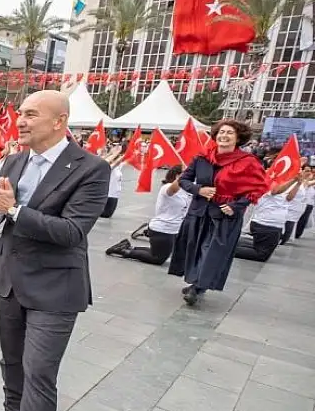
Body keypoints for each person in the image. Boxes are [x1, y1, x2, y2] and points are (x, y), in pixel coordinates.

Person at [0, 90, 110, 411]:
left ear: (59, 121)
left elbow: (71, 232)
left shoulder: (91, 169)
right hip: (9, 280)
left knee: (40, 374)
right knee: (11, 360)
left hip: (55, 289)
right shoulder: (14, 160)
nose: (21, 119)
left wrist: (14, 211)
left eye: (31, 114)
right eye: (20, 113)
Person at [169, 119, 269, 306]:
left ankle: (197, 287)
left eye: (230, 133)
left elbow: (258, 188)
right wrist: (199, 189)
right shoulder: (202, 158)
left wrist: (236, 206)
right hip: (199, 212)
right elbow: (184, 180)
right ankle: (197, 282)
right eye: (221, 132)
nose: (224, 135)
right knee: (195, 248)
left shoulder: (248, 162)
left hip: (224, 216)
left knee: (212, 251)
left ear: (238, 138)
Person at [105, 166, 191, 265]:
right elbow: (173, 190)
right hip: (162, 229)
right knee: (157, 259)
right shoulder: (167, 187)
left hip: (173, 229)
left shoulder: (186, 191)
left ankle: (127, 247)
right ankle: (123, 251)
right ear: (177, 176)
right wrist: (187, 173)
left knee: (159, 253)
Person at [232, 177, 295, 262]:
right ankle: (227, 250)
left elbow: (289, 198)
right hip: (266, 223)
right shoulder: (272, 180)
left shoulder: (283, 183)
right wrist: (294, 180)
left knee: (259, 248)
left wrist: (298, 182)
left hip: (273, 224)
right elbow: (274, 191)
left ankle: (231, 244)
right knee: (261, 254)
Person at [99, 149, 125, 218]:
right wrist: (113, 153)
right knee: (106, 215)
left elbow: (123, 161)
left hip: (115, 195)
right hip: (109, 195)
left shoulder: (119, 167)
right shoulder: (109, 168)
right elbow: (116, 162)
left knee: (109, 214)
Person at [280, 174, 306, 244]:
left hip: (294, 211)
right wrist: (297, 184)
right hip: (288, 210)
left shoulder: (302, 183)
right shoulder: (292, 183)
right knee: (285, 233)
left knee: (287, 232)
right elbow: (289, 198)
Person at [296, 167, 314, 238]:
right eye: (307, 171)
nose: (309, 173)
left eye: (310, 171)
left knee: (303, 220)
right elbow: (305, 184)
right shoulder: (302, 180)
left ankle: (297, 233)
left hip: (308, 203)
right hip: (298, 202)